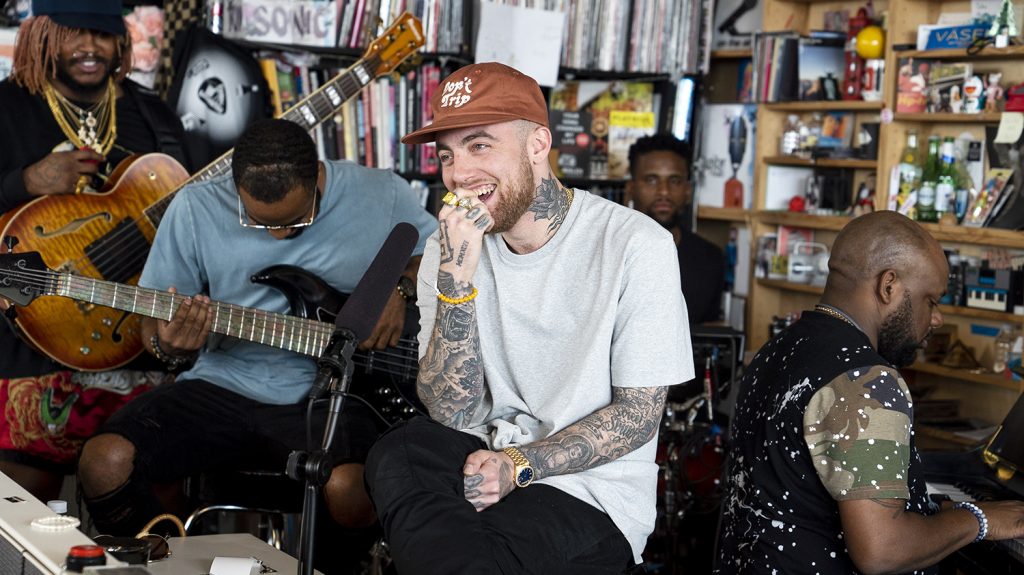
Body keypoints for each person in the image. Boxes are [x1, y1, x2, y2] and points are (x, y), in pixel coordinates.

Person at [363, 62, 694, 574]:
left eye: (479, 146)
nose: (458, 175)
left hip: (588, 488)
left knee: (476, 548)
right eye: (447, 155)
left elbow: (637, 416)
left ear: (538, 144)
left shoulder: (635, 244)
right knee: (400, 449)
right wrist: (456, 281)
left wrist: (518, 465)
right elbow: (450, 412)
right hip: (479, 451)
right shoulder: (446, 249)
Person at [77, 119, 437, 563]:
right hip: (224, 382)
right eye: (259, 223)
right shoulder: (195, 207)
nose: (278, 236)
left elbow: (444, 254)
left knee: (349, 490)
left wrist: (399, 288)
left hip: (341, 392)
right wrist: (171, 346)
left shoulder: (381, 193)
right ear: (235, 186)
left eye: (296, 221)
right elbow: (154, 330)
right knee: (104, 460)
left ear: (317, 175)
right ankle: (168, 568)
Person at [714, 211, 1024, 574]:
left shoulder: (778, 348)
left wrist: (939, 513)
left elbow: (803, 495)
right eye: (931, 301)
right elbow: (883, 551)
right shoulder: (867, 380)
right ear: (888, 286)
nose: (937, 319)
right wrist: (979, 519)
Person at [0, 0, 191, 502]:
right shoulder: (7, 108)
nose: (90, 47)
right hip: (26, 349)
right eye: (74, 32)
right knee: (23, 523)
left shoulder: (154, 117)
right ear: (41, 33)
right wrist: (23, 182)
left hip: (136, 347)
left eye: (104, 34)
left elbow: (193, 226)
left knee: (150, 510)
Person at [625, 133, 725, 325]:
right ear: (631, 188)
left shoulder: (710, 260)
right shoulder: (607, 253)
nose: (664, 191)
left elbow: (709, 334)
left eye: (675, 181)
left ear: (688, 191)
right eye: (651, 180)